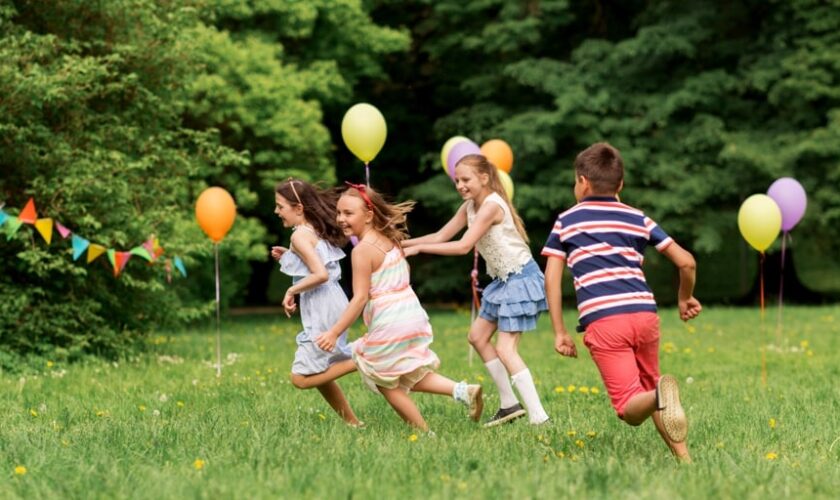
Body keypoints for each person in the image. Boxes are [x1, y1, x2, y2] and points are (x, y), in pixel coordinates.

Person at [541, 142, 702, 462]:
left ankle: (660, 395)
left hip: (605, 320)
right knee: (650, 389)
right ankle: (684, 459)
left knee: (630, 408)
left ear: (583, 181)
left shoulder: (567, 221)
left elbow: (551, 278)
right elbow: (686, 262)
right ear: (621, 184)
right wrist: (684, 298)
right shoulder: (637, 218)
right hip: (644, 315)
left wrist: (559, 331)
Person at [315, 183, 483, 432]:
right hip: (411, 313)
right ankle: (461, 391)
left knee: (383, 380)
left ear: (369, 215)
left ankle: (424, 434)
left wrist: (333, 332)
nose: (341, 219)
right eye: (338, 213)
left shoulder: (361, 251)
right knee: (405, 373)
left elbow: (360, 298)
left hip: (390, 320)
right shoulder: (391, 239)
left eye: (348, 213)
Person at [403, 154, 550, 427]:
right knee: (477, 336)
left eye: (465, 179)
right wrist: (402, 245)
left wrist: (419, 249)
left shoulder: (492, 206)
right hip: (502, 280)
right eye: (457, 180)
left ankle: (539, 418)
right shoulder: (469, 206)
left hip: (520, 279)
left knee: (506, 349)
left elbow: (462, 245)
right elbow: (440, 236)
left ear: (484, 178)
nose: (460, 185)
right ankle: (509, 405)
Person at [272, 178, 361, 427]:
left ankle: (362, 360)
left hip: (323, 305)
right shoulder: (311, 229)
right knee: (318, 372)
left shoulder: (301, 235)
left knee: (300, 378)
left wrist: (292, 290)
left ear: (298, 208)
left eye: (280, 206)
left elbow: (320, 274)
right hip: (331, 301)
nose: (277, 211)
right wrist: (290, 256)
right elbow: (317, 262)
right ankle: (352, 422)